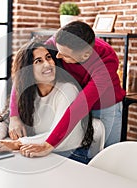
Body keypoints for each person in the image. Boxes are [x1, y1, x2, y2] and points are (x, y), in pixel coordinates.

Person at [9, 21, 126, 158]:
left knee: (107, 157)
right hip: (77, 100)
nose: (57, 56)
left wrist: (49, 145)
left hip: (105, 107)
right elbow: (24, 72)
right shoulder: (59, 42)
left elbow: (81, 104)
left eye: (64, 55)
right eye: (57, 51)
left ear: (85, 56)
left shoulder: (106, 61)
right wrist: (14, 115)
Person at [0, 40, 99, 162]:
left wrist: (15, 144)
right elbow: (6, 120)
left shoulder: (67, 90)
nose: (47, 64)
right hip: (43, 152)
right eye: (38, 61)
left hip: (71, 155)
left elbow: (59, 135)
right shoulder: (28, 93)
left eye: (48, 57)